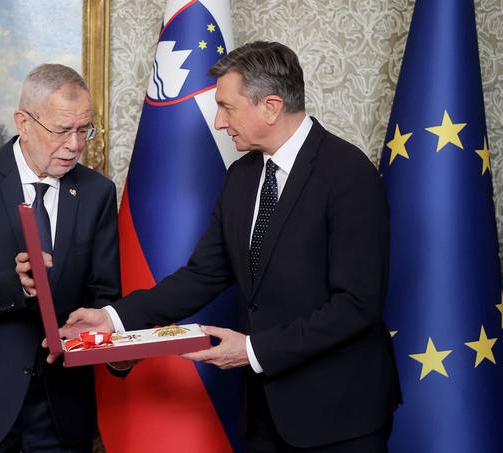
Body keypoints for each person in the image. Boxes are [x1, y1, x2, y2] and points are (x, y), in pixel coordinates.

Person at [38, 42, 401, 452]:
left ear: (270, 106)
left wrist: (252, 349)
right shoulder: (243, 176)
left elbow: (356, 304)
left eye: (227, 107)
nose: (219, 121)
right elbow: (204, 274)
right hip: (264, 412)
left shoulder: (348, 174)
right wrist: (113, 318)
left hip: (341, 414)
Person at [0, 64, 122, 452]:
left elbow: (105, 295)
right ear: (23, 121)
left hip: (62, 411)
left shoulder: (97, 192)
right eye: (61, 130)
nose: (75, 144)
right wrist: (14, 285)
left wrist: (118, 345)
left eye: (84, 129)